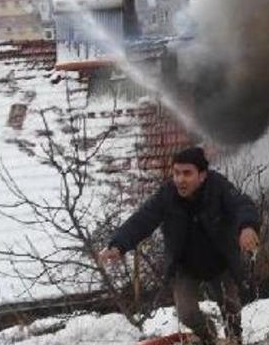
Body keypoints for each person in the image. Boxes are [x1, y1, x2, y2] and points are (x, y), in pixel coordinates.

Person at [99, 147, 260, 345]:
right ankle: (210, 339)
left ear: (202, 176)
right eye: (176, 173)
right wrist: (118, 245)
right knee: (187, 314)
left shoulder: (219, 188)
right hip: (185, 265)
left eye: (187, 173)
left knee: (231, 309)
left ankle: (235, 340)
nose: (180, 180)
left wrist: (247, 227)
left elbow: (242, 204)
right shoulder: (167, 195)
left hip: (220, 262)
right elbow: (142, 219)